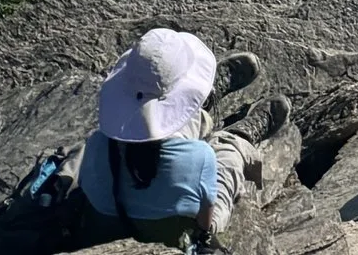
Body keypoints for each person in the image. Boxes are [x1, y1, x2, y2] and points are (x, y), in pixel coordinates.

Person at [74, 30, 257, 248]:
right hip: (175, 237)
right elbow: (205, 221)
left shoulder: (96, 145)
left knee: (176, 126)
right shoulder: (200, 157)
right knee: (228, 156)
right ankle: (238, 136)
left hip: (111, 230)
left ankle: (202, 110)